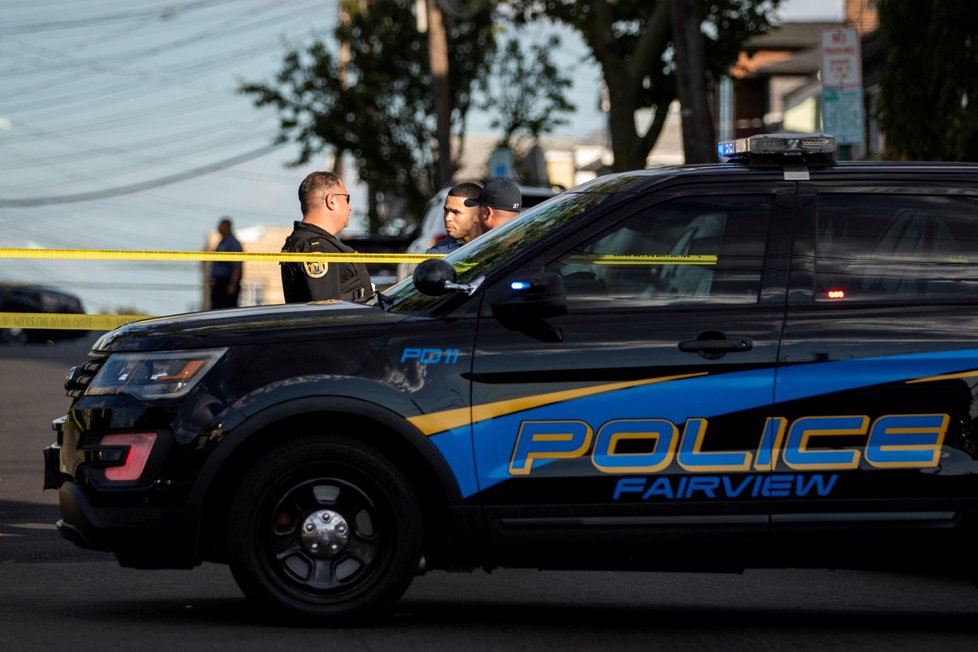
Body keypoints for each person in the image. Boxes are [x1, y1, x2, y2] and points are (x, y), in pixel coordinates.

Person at [281, 171, 373, 303]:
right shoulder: (318, 249)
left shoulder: (308, 242)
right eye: (347, 199)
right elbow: (327, 313)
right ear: (331, 201)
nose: (350, 207)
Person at [426, 182, 483, 253]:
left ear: (478, 215)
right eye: (446, 211)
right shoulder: (436, 255)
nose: (447, 218)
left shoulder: (496, 244)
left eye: (456, 212)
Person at [209, 216, 243, 309]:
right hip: (219, 283)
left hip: (226, 284)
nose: (218, 228)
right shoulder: (222, 242)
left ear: (227, 227)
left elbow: (237, 266)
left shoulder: (232, 243)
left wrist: (233, 284)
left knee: (226, 311)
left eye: (221, 225)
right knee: (216, 310)